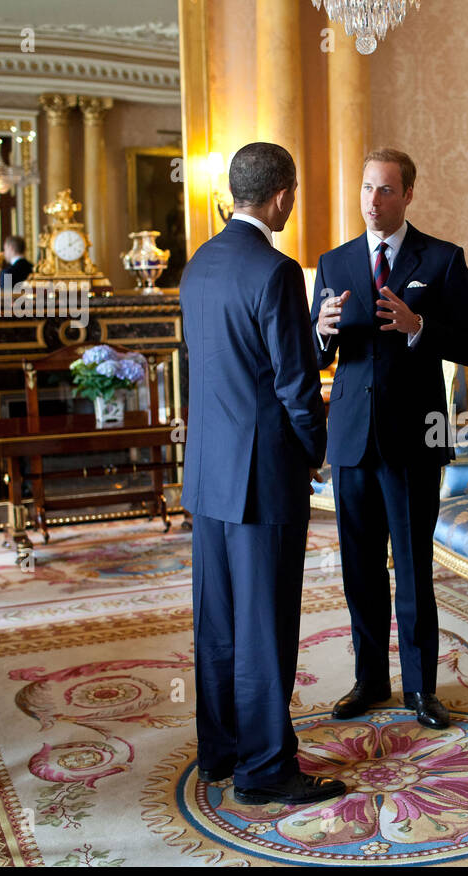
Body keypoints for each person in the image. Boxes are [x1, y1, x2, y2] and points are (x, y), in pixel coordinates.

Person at [180, 142, 346, 807]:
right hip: (263, 476)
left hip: (209, 475)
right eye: (295, 193)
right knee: (266, 626)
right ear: (280, 196)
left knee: (218, 623)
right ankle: (266, 769)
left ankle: (220, 752)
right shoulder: (276, 272)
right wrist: (317, 449)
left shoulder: (198, 266)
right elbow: (295, 386)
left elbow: (215, 366)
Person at [312, 147, 468, 730]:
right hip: (352, 442)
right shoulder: (333, 263)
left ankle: (420, 690)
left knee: (411, 569)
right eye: (366, 189)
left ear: (408, 194)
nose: (373, 201)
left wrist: (420, 329)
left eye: (385, 190)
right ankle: (369, 681)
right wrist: (320, 332)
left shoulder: (442, 259)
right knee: (359, 568)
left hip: (415, 439)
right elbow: (319, 354)